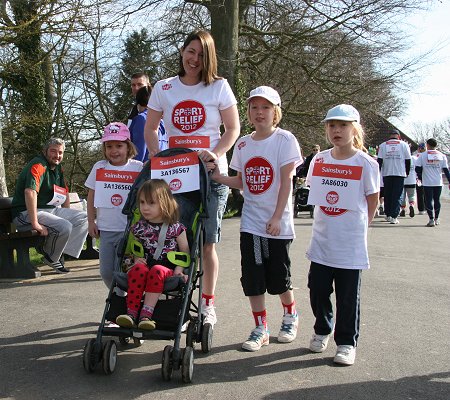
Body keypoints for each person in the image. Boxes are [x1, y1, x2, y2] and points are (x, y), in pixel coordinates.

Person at [143, 30, 240, 327]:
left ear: (208, 58)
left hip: (210, 175)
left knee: (207, 242)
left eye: (201, 54)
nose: (194, 59)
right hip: (175, 175)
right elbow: (150, 129)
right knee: (172, 237)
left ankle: (208, 305)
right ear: (182, 51)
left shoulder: (219, 87)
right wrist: (158, 156)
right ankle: (172, 296)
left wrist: (214, 153)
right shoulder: (164, 87)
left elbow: (232, 129)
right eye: (190, 51)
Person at [212, 86, 302, 351]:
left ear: (276, 112)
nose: (259, 112)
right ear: (248, 112)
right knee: (252, 278)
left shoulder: (285, 140)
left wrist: (276, 217)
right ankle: (260, 327)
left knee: (279, 278)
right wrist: (218, 178)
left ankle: (290, 316)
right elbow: (242, 181)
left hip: (277, 225)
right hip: (251, 223)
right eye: (254, 107)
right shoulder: (243, 144)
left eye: (265, 107)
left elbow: (286, 182)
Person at [305, 104, 379, 365]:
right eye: (331, 125)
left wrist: (361, 228)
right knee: (317, 290)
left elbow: (373, 199)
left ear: (354, 129)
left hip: (350, 245)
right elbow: (314, 192)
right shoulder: (320, 159)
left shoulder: (366, 163)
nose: (336, 130)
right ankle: (322, 329)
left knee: (348, 297)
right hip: (322, 242)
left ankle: (346, 342)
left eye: (343, 125)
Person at [115, 179, 189, 330]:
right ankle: (131, 313)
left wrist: (179, 271)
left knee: (157, 270)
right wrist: (137, 259)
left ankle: (146, 314)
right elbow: (137, 249)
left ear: (165, 203)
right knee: (137, 269)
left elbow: (185, 253)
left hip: (167, 270)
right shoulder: (138, 228)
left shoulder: (176, 228)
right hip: (145, 267)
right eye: (142, 202)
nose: (145, 207)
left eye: (151, 203)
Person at [11, 138, 89, 274]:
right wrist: (35, 223)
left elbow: (63, 193)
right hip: (25, 213)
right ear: (44, 151)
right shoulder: (38, 165)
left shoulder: (58, 168)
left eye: (60, 152)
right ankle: (51, 256)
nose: (57, 155)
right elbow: (30, 192)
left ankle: (56, 254)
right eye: (53, 151)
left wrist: (68, 215)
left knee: (85, 218)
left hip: (51, 210)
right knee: (64, 226)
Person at [85, 122, 143, 289]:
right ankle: (119, 299)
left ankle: (125, 303)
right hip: (106, 230)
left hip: (130, 231)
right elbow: (91, 196)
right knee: (106, 272)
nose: (114, 150)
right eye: (109, 146)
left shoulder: (137, 168)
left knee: (125, 271)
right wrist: (90, 221)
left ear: (128, 147)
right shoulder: (99, 167)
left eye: (119, 145)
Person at [377, 128, 411, 224]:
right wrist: (407, 172)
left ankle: (388, 214)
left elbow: (379, 161)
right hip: (399, 173)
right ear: (399, 136)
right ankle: (394, 216)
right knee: (397, 195)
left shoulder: (383, 145)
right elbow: (408, 160)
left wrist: (377, 173)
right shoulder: (404, 145)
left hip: (386, 173)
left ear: (389, 136)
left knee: (387, 194)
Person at [414, 138, 450, 227]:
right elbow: (446, 170)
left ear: (427, 145)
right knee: (437, 200)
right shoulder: (442, 155)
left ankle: (431, 219)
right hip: (438, 182)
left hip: (427, 182)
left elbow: (417, 168)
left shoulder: (422, 155)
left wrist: (421, 176)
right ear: (436, 145)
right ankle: (437, 219)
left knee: (428, 200)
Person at [129, 85, 167, 162]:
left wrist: (136, 170)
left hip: (147, 167)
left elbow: (139, 149)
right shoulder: (163, 120)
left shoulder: (141, 119)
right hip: (163, 166)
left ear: (138, 104)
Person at [399, 144, 417, 218]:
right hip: (412, 180)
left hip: (402, 179)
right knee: (412, 195)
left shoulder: (401, 158)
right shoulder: (415, 159)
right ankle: (411, 205)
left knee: (402, 196)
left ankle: (403, 209)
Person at [415, 143, 426, 215]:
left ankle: (421, 209)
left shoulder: (417, 156)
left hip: (418, 177)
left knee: (420, 193)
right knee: (426, 194)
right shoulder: (426, 156)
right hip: (426, 177)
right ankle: (427, 208)